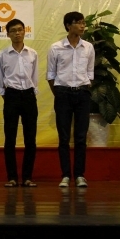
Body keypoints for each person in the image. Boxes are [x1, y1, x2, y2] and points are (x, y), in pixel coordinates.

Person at [47, 11, 94, 188]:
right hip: (63, 94)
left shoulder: (88, 47)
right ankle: (66, 175)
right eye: (78, 23)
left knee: (81, 137)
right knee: (64, 137)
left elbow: (90, 73)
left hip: (82, 94)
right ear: (68, 25)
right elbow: (51, 75)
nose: (82, 26)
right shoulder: (56, 47)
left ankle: (80, 175)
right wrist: (59, 93)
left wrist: (85, 88)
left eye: (83, 23)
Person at [0, 19, 39, 188]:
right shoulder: (2, 55)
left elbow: (35, 77)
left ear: (24, 31)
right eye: (13, 31)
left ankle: (27, 177)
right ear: (8, 34)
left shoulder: (32, 53)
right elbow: (0, 79)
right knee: (10, 138)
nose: (17, 33)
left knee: (30, 139)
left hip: (28, 96)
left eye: (20, 30)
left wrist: (31, 92)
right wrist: (6, 95)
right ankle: (12, 177)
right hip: (11, 96)